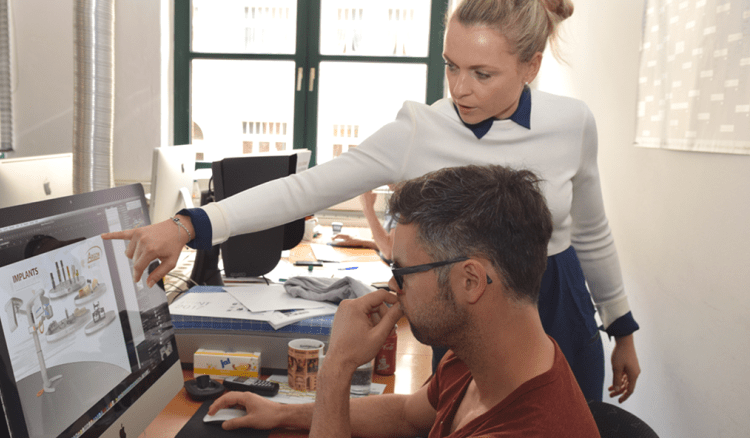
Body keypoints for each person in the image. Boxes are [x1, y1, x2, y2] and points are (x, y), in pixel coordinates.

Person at [103, 0, 640, 403]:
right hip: (464, 311)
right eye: (451, 66)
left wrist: (621, 328)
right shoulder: (419, 129)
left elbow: (592, 230)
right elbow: (306, 187)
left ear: (531, 66)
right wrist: (191, 224)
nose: (460, 89)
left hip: (558, 304)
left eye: (482, 73)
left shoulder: (573, 124)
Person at [206, 165, 600, 437]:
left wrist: (338, 366)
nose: (394, 287)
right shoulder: (482, 356)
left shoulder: (526, 427)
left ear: (470, 280)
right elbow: (406, 414)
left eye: (403, 271)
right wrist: (283, 413)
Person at [330, 189, 395, 261]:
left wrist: (368, 208)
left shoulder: (405, 204)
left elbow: (389, 251)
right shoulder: (396, 198)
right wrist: (360, 242)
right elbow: (393, 246)